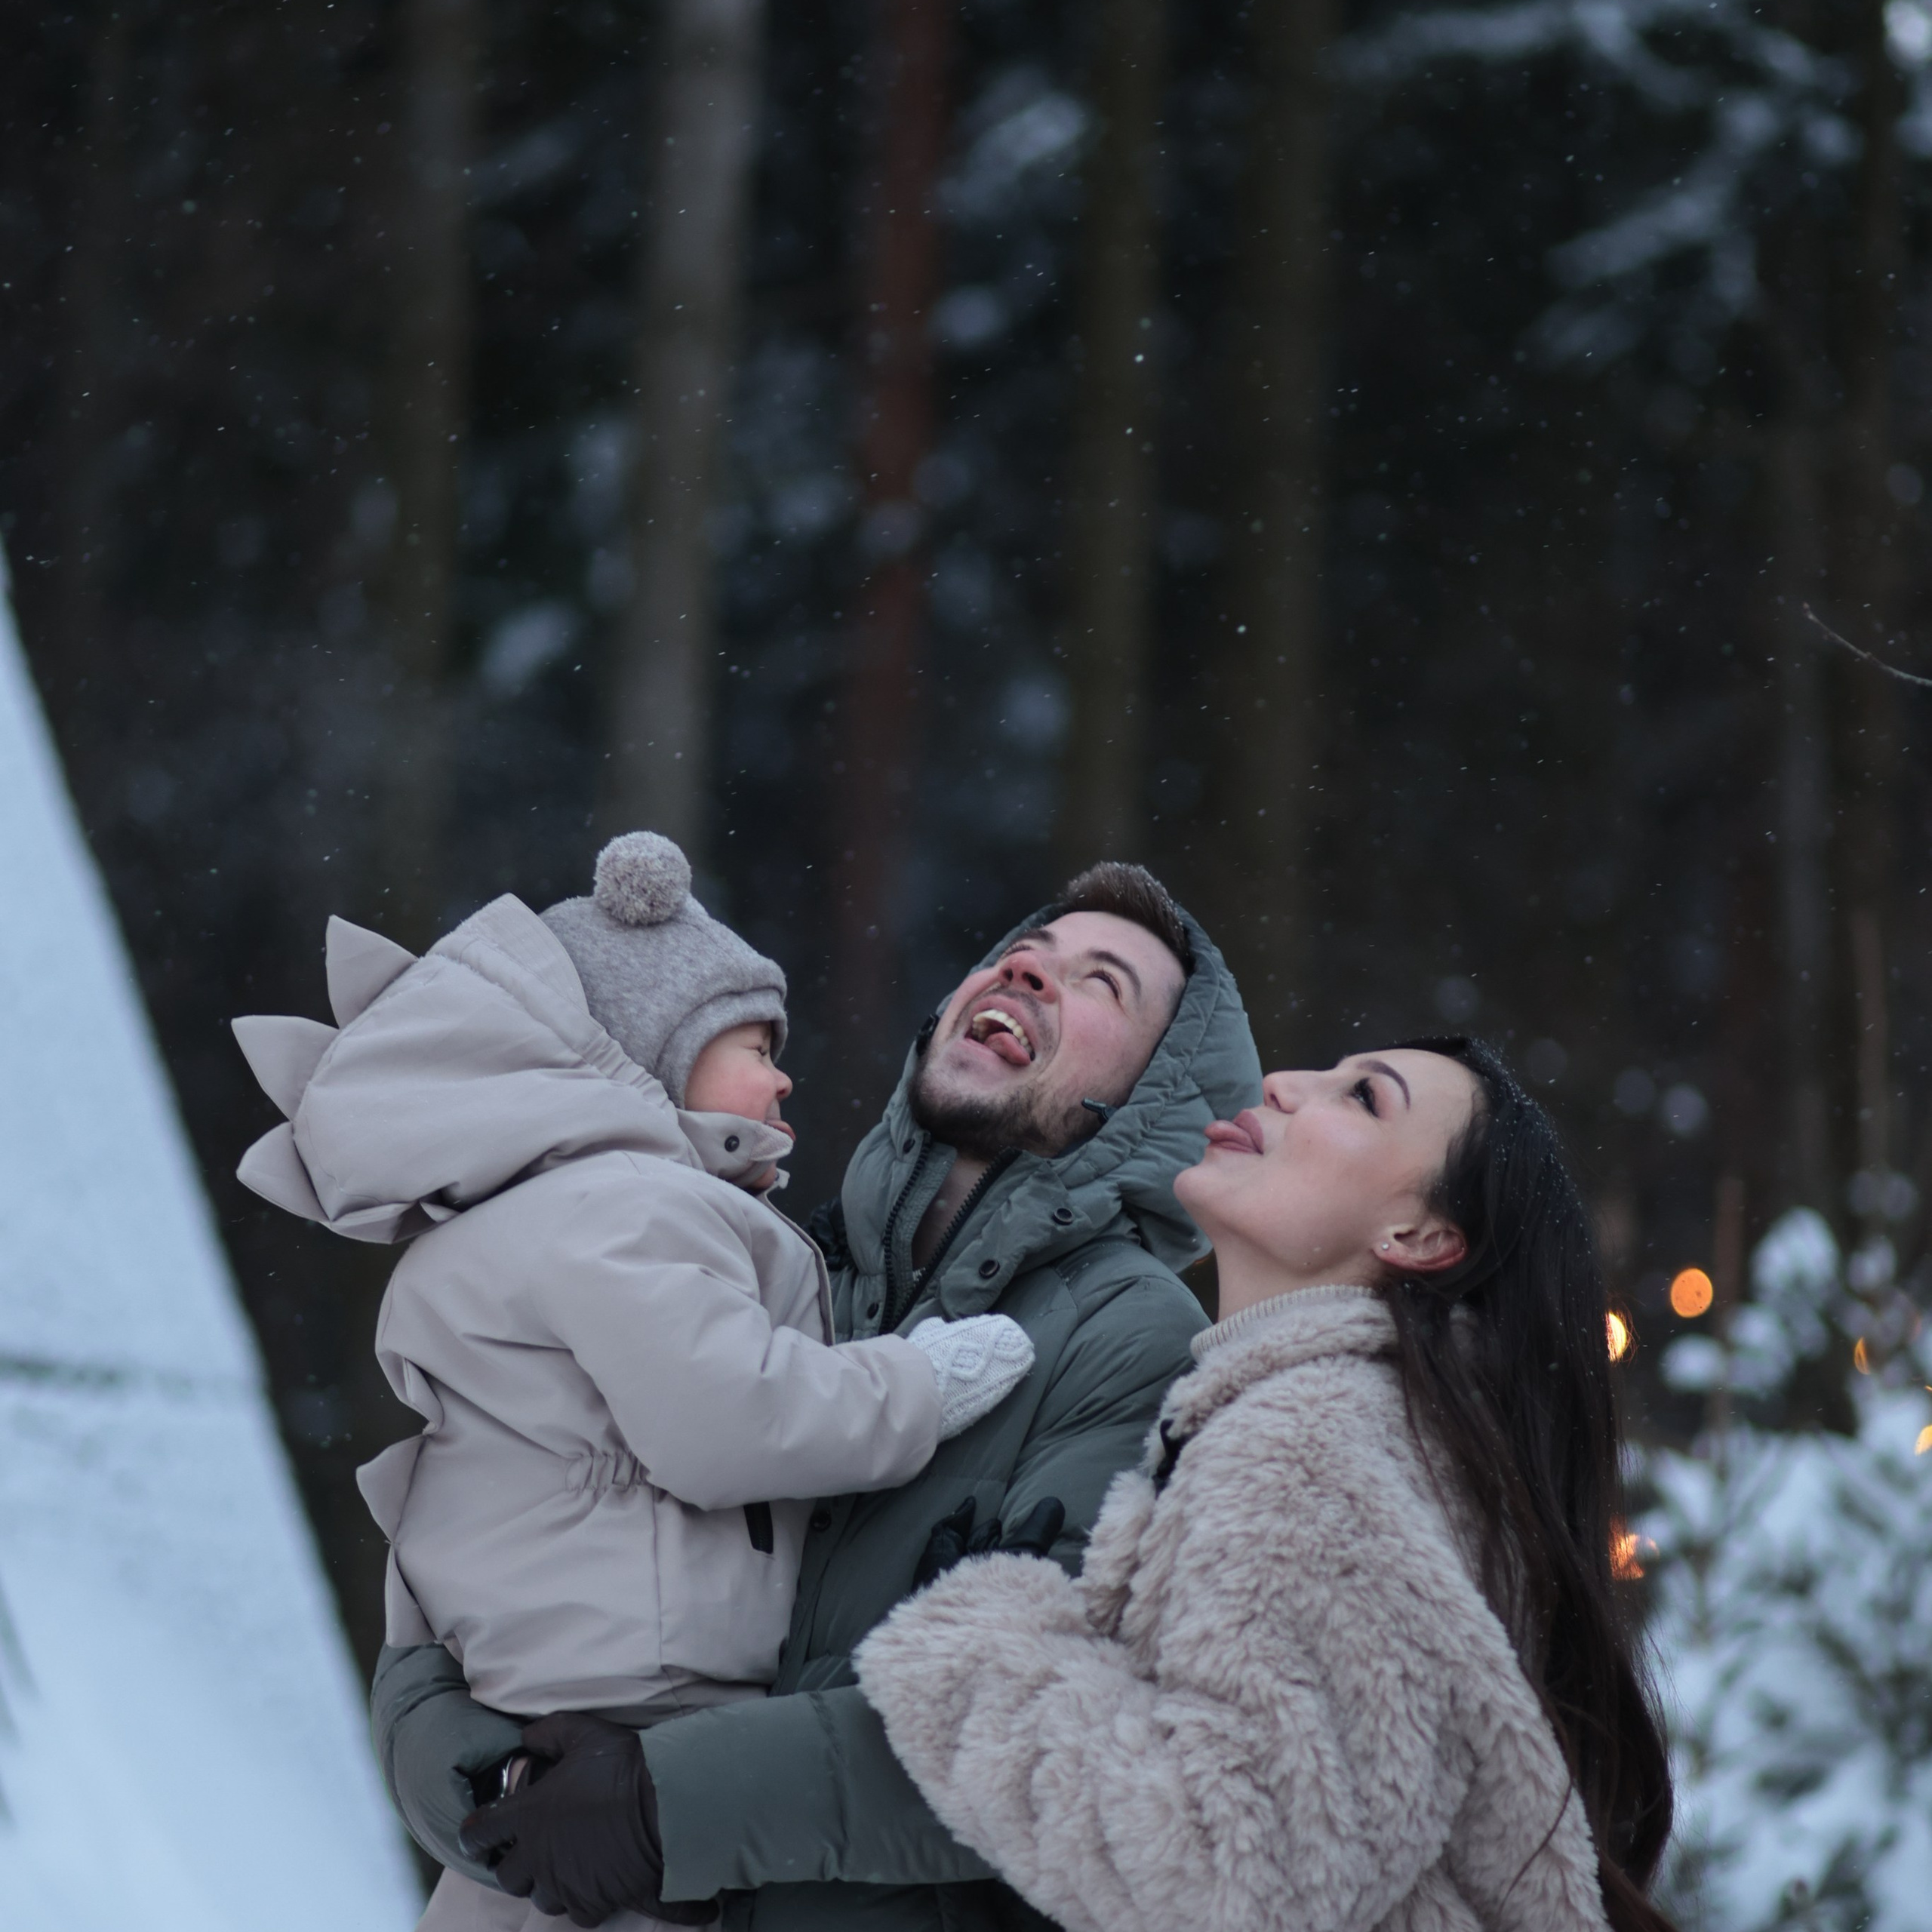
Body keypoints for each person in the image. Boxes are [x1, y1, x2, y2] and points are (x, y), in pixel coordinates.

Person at [371, 861, 1265, 1930]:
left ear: (1153, 1098)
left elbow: (1053, 1749)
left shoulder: (1134, 1338)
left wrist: (665, 1802)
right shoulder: (780, 1264)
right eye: (1022, 951)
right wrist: (434, 1743)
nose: (1030, 966)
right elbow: (497, 1512)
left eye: (1101, 983)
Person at [232, 831, 1040, 1932]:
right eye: (755, 1039)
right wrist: (918, 1384)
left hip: (534, 1703)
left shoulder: (510, 1220)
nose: (785, 1072)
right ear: (643, 1052)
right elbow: (726, 1421)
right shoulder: (628, 1206)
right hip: (643, 1703)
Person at [858, 1039, 1678, 1932]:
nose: (1282, 1084)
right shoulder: (1389, 1434)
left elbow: (1233, 1875)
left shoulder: (1311, 1442)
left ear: (1418, 1236)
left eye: (1363, 1097)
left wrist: (975, 1649)